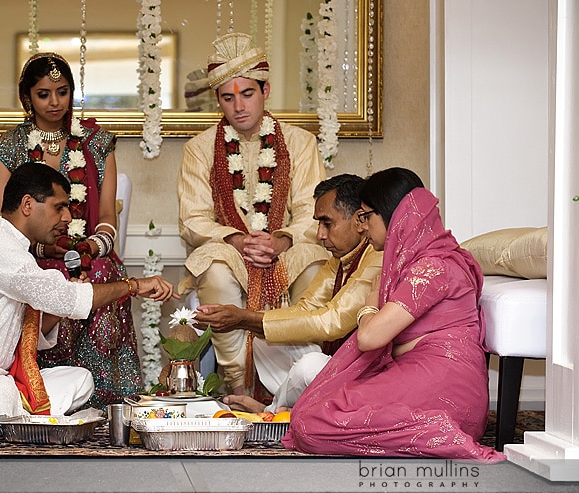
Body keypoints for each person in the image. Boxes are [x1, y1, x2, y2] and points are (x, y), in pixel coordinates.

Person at [0, 163, 178, 439]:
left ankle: (19, 414)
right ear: (28, 205)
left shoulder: (17, 249)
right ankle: (16, 415)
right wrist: (133, 285)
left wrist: (65, 305)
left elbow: (32, 329)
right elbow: (66, 299)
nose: (67, 217)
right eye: (58, 207)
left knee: (79, 379)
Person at [282, 167, 505, 461]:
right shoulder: (419, 259)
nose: (362, 227)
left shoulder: (432, 266)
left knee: (311, 424)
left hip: (446, 387)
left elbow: (371, 338)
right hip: (424, 374)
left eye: (365, 216)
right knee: (311, 414)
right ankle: (428, 428)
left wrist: (370, 306)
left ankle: (437, 432)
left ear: (392, 214)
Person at [177, 33, 329, 397]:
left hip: (290, 245)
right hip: (230, 247)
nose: (239, 106)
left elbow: (312, 209)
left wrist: (282, 239)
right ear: (218, 101)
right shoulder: (199, 150)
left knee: (314, 266)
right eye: (228, 98)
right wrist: (237, 239)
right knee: (214, 268)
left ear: (266, 91)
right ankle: (237, 387)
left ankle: (308, 384)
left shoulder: (300, 142)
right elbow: (193, 218)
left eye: (247, 94)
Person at [0, 52, 139, 408]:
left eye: (63, 91)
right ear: (27, 97)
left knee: (98, 270)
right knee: (50, 275)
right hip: (30, 257)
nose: (54, 102)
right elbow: (3, 226)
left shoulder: (98, 144)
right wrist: (45, 251)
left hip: (90, 252)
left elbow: (106, 215)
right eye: (43, 93)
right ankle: (45, 385)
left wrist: (93, 247)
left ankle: (107, 394)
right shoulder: (6, 149)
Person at [194, 174, 382, 413]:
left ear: (359, 220)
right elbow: (306, 309)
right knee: (265, 340)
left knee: (309, 367)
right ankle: (297, 409)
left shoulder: (377, 255)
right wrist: (246, 320)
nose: (321, 234)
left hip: (369, 374)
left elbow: (333, 321)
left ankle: (272, 412)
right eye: (318, 224)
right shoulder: (341, 257)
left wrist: (244, 318)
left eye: (327, 223)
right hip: (339, 366)